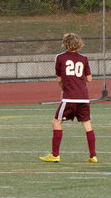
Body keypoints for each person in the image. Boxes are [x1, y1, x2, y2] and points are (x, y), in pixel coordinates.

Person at [40, 33, 98, 163]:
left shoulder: (60, 57)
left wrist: (64, 89)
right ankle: (93, 155)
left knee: (56, 122)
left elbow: (59, 79)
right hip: (84, 98)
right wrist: (79, 79)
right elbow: (89, 79)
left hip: (70, 97)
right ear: (79, 44)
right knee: (87, 124)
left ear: (65, 43)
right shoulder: (84, 58)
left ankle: (55, 155)